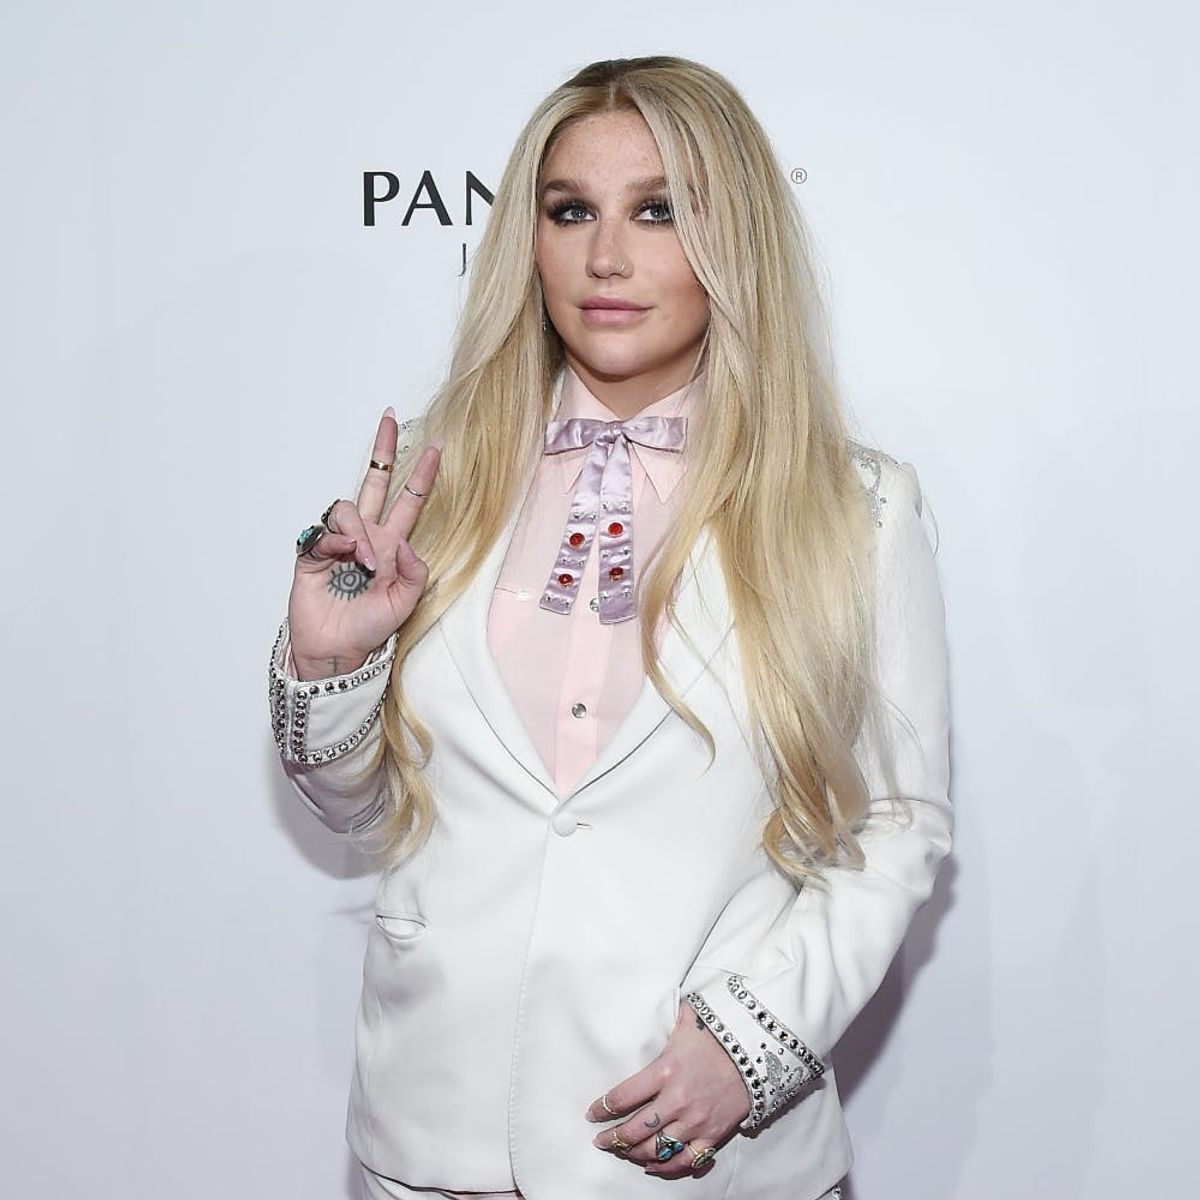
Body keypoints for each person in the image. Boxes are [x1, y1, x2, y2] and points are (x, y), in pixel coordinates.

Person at [268, 55, 951, 1200]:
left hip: (704, 1157)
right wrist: (331, 667)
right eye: (571, 210)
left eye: (659, 210)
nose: (606, 258)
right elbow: (372, 812)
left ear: (735, 236)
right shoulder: (437, 478)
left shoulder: (854, 508)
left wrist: (751, 1045)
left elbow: (895, 824)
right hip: (434, 1144)